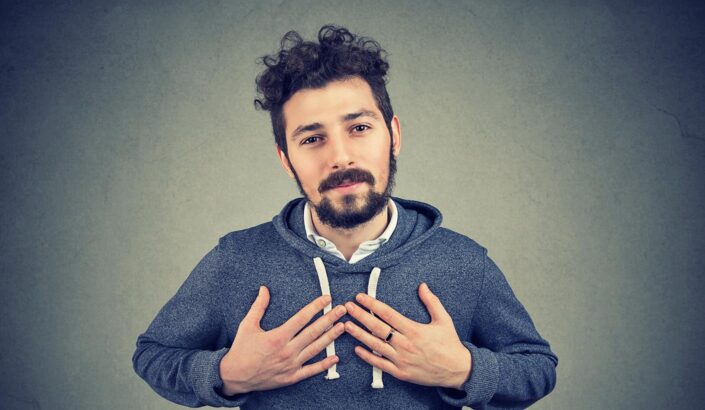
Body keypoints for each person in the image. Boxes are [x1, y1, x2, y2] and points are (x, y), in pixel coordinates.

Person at [132, 25, 558, 409]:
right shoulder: (236, 259)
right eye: (313, 138)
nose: (340, 157)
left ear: (393, 135)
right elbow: (153, 355)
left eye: (359, 128)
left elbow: (536, 369)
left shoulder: (464, 262)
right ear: (286, 160)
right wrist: (225, 375)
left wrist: (464, 370)